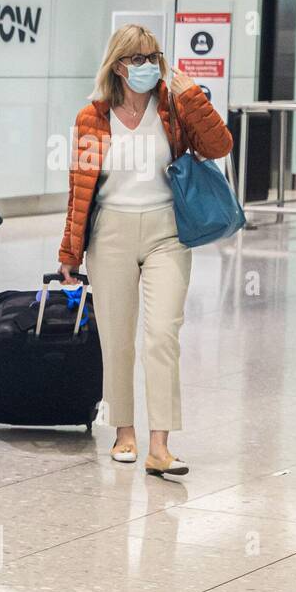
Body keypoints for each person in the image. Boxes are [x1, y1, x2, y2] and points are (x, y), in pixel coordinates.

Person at [58, 24, 232, 477]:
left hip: (167, 231)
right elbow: (79, 190)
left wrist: (193, 95)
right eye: (138, 59)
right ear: (118, 65)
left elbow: (220, 146)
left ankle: (160, 445)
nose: (148, 66)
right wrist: (69, 253)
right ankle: (123, 432)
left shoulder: (173, 110)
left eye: (153, 57)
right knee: (117, 339)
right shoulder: (92, 117)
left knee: (162, 334)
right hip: (110, 232)